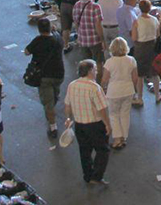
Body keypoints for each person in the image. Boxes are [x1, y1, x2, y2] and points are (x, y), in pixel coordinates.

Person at [64, 59, 112, 187]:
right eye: (95, 69)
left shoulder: (72, 85)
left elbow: (67, 104)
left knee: (84, 151)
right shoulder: (94, 88)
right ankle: (97, 176)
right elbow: (102, 108)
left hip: (79, 125)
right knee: (103, 150)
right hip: (95, 125)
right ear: (90, 71)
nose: (96, 72)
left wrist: (68, 118)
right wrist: (107, 124)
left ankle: (88, 175)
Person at [24, 20, 64, 138]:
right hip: (59, 73)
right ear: (50, 27)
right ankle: (54, 101)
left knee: (48, 104)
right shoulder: (58, 39)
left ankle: (53, 126)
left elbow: (26, 52)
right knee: (55, 95)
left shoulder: (38, 41)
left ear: (39, 29)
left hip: (44, 76)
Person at [101, 37, 138, 150]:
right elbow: (135, 78)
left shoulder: (109, 62)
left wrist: (103, 88)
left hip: (114, 92)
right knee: (125, 114)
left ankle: (117, 139)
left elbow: (104, 79)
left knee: (114, 115)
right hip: (128, 90)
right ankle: (124, 137)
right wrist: (134, 89)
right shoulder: (131, 60)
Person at [73, 0, 105, 64]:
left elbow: (76, 23)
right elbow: (98, 25)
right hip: (95, 41)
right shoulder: (96, 7)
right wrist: (102, 40)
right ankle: (98, 77)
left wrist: (79, 35)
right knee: (98, 63)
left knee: (86, 64)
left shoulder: (77, 5)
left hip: (83, 40)